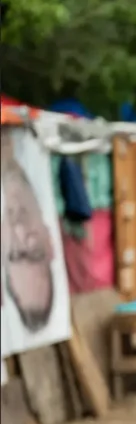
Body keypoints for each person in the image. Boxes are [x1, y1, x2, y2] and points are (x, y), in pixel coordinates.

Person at [1, 129, 56, 332]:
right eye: (34, 252)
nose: (20, 231)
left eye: (15, 254)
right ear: (49, 241)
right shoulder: (38, 141)